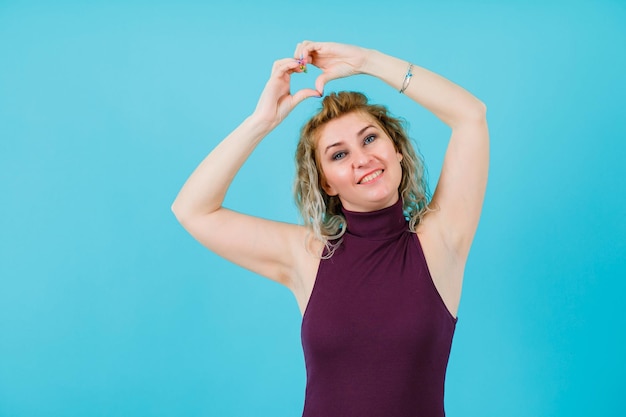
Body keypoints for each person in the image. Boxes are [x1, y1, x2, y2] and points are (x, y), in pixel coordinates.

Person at [172, 41, 489, 417]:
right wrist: (262, 121)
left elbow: (471, 115)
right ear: (326, 183)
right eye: (339, 154)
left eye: (370, 138)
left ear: (397, 151)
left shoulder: (440, 243)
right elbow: (193, 209)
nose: (363, 159)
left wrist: (367, 62)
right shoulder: (308, 256)